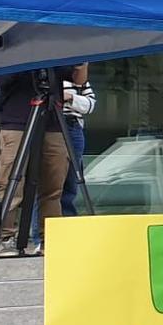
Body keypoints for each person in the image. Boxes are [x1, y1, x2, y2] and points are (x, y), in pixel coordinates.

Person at [0, 69, 69, 257]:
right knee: (11, 184)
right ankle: (5, 238)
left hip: (52, 119)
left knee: (53, 186)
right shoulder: (3, 45)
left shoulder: (53, 45)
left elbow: (78, 77)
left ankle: (51, 240)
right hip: (16, 121)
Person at [58, 64, 93, 218]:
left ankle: (68, 222)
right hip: (50, 124)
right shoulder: (41, 72)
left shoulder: (77, 75)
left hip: (73, 125)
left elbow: (90, 105)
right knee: (49, 181)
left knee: (72, 179)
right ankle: (41, 235)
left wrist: (70, 97)